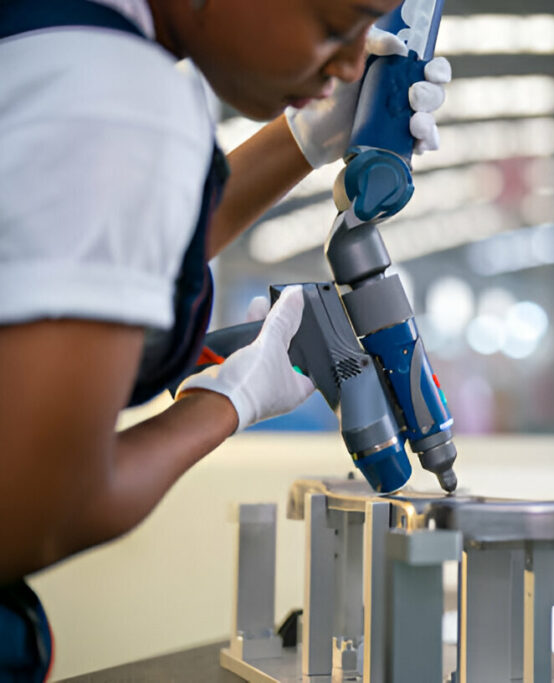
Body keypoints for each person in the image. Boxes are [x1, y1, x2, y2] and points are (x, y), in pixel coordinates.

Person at [0, 0, 450, 678]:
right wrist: (227, 402)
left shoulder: (52, 41)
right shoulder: (114, 94)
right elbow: (32, 519)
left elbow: (96, 247)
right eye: (335, 25)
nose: (357, 61)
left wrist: (302, 140)